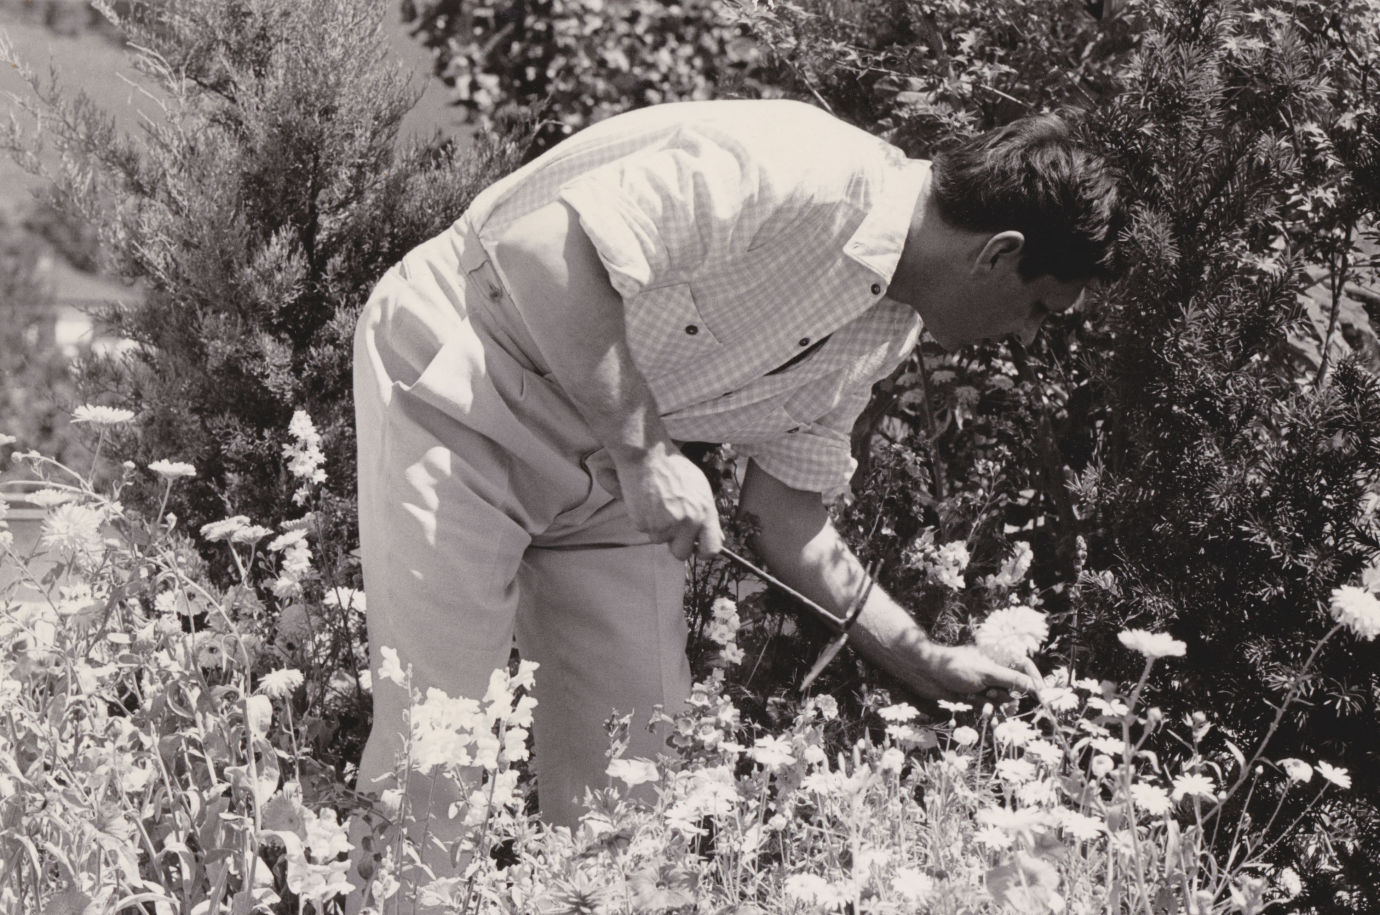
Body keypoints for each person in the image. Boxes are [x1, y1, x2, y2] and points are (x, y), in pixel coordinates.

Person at [352, 99, 1119, 850]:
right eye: (1039, 309)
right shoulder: (803, 169)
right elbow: (542, 250)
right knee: (437, 760)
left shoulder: (889, 327)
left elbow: (788, 519)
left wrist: (920, 655)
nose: (1025, 334)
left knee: (634, 795)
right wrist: (648, 455)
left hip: (609, 467)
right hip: (468, 379)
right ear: (999, 253)